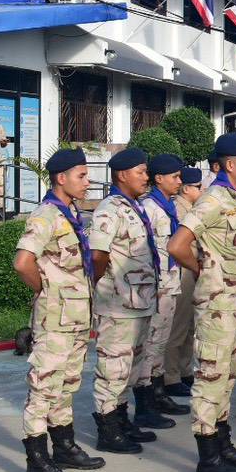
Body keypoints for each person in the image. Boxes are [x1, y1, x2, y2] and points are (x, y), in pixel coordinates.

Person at [167, 132, 236, 472]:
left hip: (233, 302)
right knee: (210, 377)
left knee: (226, 376)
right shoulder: (212, 200)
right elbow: (178, 245)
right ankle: (208, 457)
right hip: (216, 304)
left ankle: (223, 443)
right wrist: (205, 270)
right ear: (229, 165)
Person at [10, 148, 105, 472]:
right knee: (44, 387)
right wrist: (45, 291)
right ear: (61, 178)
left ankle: (63, 446)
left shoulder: (72, 213)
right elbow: (23, 263)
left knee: (66, 384)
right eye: (81, 175)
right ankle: (36, 461)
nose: (87, 181)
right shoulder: (46, 216)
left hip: (77, 317)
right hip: (56, 318)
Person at [89, 147, 164, 453]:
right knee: (113, 369)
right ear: (122, 174)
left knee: (130, 368)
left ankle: (121, 420)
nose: (146, 177)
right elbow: (97, 254)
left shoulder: (133, 206)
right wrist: (103, 288)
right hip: (118, 304)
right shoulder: (110, 208)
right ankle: (107, 430)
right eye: (141, 171)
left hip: (140, 301)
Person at [131, 153, 190, 422]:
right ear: (159, 178)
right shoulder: (149, 208)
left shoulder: (169, 205)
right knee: (151, 344)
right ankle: (145, 403)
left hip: (171, 283)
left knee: (161, 342)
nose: (180, 181)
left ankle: (157, 391)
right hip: (156, 287)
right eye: (175, 177)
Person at [162, 167, 203, 396]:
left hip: (193, 268)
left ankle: (185, 370)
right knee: (178, 325)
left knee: (189, 325)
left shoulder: (193, 207)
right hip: (183, 269)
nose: (202, 190)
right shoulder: (178, 208)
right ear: (187, 189)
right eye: (198, 187)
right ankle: (171, 376)